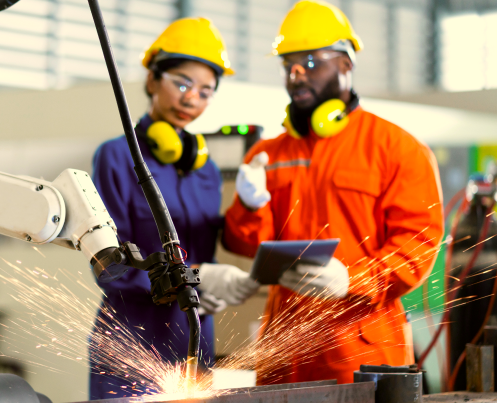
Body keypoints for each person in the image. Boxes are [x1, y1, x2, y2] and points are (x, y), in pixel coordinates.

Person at [223, 0, 444, 385]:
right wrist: (248, 204)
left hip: (361, 349)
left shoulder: (397, 148)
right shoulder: (268, 154)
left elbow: (418, 243)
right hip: (284, 350)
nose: (295, 75)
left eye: (309, 62)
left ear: (346, 63)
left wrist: (353, 280)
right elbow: (245, 245)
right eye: (287, 64)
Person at [89, 17, 259, 399]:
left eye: (205, 91)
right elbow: (109, 267)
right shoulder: (117, 157)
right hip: (129, 346)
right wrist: (194, 276)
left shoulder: (207, 170)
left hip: (192, 342)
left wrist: (249, 207)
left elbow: (206, 253)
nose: (191, 99)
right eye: (181, 83)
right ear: (152, 80)